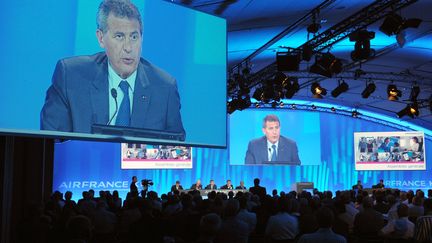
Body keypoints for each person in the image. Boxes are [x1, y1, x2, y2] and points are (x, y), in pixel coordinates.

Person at [40, 0, 185, 138]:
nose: (128, 48)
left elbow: (178, 153)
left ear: (142, 38)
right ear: (101, 38)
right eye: (119, 36)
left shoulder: (165, 88)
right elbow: (53, 143)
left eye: (134, 37)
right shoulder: (70, 77)